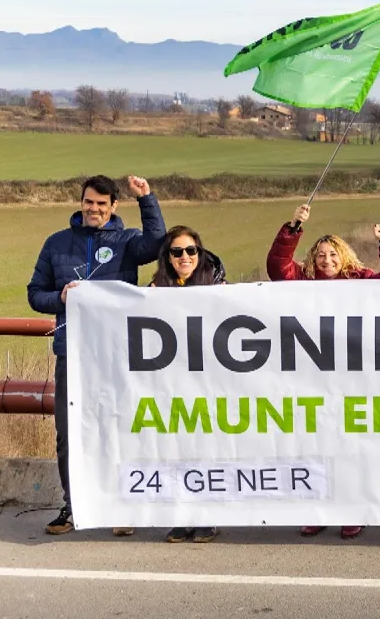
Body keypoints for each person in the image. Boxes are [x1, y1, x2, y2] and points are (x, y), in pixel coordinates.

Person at [27, 174, 166, 536]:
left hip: (117, 354)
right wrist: (59, 298)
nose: (94, 209)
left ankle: (122, 508)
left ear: (113, 206)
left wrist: (147, 199)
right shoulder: (57, 243)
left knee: (118, 428)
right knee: (68, 433)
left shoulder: (128, 241)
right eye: (89, 202)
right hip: (71, 353)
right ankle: (73, 507)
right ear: (81, 202)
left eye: (102, 204)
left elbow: (156, 244)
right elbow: (34, 293)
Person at [268, 203, 380, 540]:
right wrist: (294, 227)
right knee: (316, 447)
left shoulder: (362, 280)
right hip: (313, 376)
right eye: (321, 256)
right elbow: (277, 267)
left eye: (333, 255)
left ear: (344, 257)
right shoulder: (303, 280)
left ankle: (352, 511)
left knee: (351, 448)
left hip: (353, 377)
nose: (326, 261)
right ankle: (318, 510)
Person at [151, 226, 226, 544]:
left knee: (206, 448)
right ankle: (182, 516)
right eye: (177, 251)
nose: (185, 257)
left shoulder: (218, 284)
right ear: (167, 257)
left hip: (208, 381)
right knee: (176, 450)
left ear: (200, 252)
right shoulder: (155, 288)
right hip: (172, 382)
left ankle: (207, 516)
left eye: (191, 250)